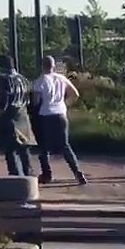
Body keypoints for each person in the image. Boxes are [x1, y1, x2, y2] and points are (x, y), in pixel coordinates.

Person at [31, 56, 86, 185]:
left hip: (46, 115)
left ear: (42, 66)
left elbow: (36, 101)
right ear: (53, 65)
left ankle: (47, 174)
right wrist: (65, 104)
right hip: (61, 114)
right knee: (65, 146)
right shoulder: (61, 78)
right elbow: (75, 94)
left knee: (44, 147)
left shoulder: (40, 81)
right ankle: (77, 173)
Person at [0, 55, 35, 177]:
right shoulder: (23, 79)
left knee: (10, 150)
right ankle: (29, 174)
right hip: (23, 115)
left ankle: (15, 177)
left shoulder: (5, 80)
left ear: (1, 66)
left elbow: (3, 101)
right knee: (24, 149)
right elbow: (29, 99)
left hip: (10, 116)